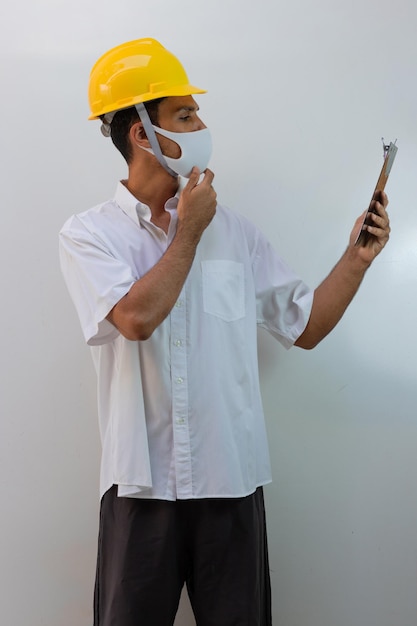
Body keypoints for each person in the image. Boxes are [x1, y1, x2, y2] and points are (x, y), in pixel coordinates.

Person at [59, 38, 390, 626]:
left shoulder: (236, 233)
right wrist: (188, 233)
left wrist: (357, 259)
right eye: (185, 115)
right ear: (141, 131)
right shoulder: (90, 236)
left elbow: (306, 326)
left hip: (230, 486)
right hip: (141, 491)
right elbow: (135, 319)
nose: (202, 126)